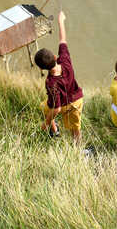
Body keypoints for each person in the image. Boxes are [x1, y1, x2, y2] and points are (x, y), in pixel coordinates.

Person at [34, 11, 84, 144]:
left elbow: (57, 108)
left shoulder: (51, 83)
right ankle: (55, 131)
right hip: (77, 99)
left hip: (70, 104)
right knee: (45, 106)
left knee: (73, 128)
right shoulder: (65, 60)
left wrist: (46, 122)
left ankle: (78, 148)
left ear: (41, 68)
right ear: (55, 58)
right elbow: (63, 40)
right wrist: (61, 21)